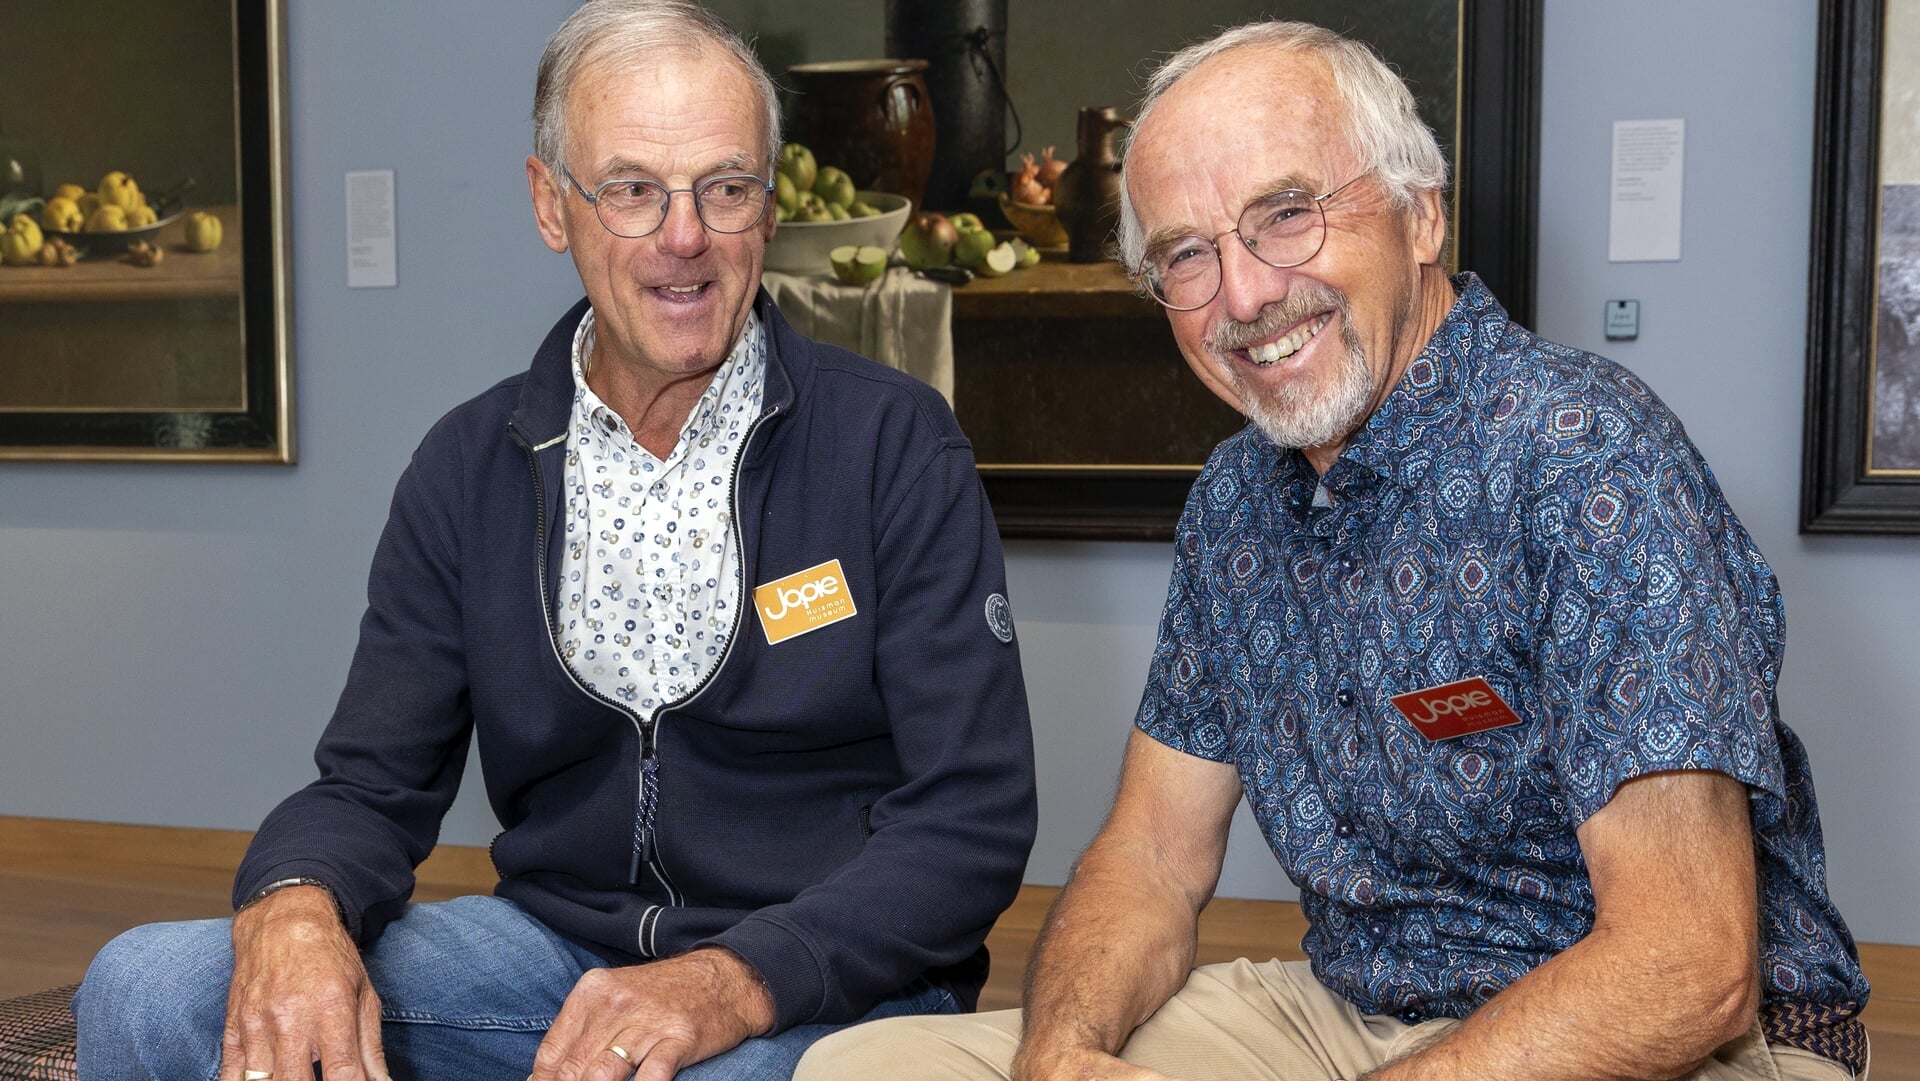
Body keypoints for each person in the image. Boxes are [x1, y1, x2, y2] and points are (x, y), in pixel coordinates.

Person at [797, 19, 1868, 1081]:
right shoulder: (1233, 502)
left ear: (1422, 215)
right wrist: (1060, 1055)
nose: (1245, 295)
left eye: (1286, 215)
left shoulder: (1587, 455)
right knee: (862, 1068)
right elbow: (1153, 855)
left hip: (1674, 1038)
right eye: (1187, 255)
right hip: (1354, 1012)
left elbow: (1688, 966)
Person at [72, 3, 1037, 1080]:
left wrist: (730, 980)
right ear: (550, 204)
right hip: (552, 955)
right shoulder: (466, 465)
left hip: (826, 980)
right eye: (632, 190)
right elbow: (369, 783)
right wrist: (293, 903)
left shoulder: (893, 444)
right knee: (145, 985)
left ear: (768, 206)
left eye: (725, 187)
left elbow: (972, 817)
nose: (685, 236)